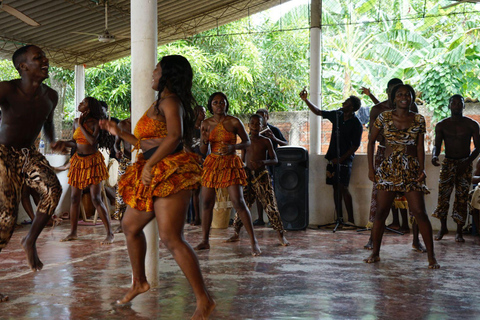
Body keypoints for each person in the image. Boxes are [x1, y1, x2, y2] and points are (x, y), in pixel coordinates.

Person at [99, 55, 215, 318]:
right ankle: (139, 281)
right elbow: (144, 142)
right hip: (153, 168)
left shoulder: (171, 101)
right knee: (130, 226)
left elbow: (174, 136)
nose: (152, 73)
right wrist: (118, 132)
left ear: (168, 75)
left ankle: (204, 300)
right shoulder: (160, 102)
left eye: (157, 69)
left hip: (170, 170)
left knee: (171, 238)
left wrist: (151, 166)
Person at [0, 45, 63, 302]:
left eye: (45, 56)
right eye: (38, 58)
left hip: (28, 154)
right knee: (5, 223)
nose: (45, 60)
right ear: (23, 67)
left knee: (53, 190)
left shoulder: (51, 96)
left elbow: (46, 124)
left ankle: (30, 240)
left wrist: (54, 142)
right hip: (3, 154)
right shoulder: (6, 89)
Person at [365, 84, 440, 269]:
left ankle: (431, 257)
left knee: (420, 213)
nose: (404, 97)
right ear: (393, 98)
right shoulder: (383, 117)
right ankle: (375, 253)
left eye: (408, 94)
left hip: (411, 169)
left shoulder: (418, 119)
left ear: (412, 98)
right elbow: (371, 141)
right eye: (400, 94)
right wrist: (371, 169)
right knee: (381, 212)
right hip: (389, 168)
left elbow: (420, 147)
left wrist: (422, 169)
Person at [194, 92, 261, 256]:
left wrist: (233, 148)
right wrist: (204, 139)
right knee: (207, 203)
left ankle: (254, 241)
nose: (219, 105)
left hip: (230, 162)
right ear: (211, 105)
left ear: (226, 104)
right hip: (212, 163)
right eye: (215, 103)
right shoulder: (206, 123)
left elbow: (247, 142)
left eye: (222, 102)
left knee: (238, 202)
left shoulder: (233, 121)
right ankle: (205, 241)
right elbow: (203, 151)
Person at [362, 79, 423, 251]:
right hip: (384, 154)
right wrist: (371, 168)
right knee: (379, 201)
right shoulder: (378, 110)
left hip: (408, 157)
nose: (401, 95)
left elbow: (417, 139)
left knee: (415, 203)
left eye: (404, 93)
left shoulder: (412, 109)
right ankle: (372, 240)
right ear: (389, 92)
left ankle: (416, 240)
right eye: (395, 92)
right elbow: (372, 137)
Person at [56, 97, 115, 244]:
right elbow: (76, 143)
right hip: (78, 161)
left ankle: (110, 233)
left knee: (96, 198)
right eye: (80, 102)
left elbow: (92, 141)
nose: (80, 104)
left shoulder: (95, 122)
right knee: (75, 198)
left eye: (83, 103)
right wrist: (63, 143)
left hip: (92, 161)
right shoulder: (76, 121)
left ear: (89, 107)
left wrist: (82, 125)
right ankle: (73, 232)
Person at [300, 90, 363, 225]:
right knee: (335, 187)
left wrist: (341, 159)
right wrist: (305, 100)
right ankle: (339, 218)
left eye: (346, 102)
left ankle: (351, 220)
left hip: (345, 160)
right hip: (332, 159)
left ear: (351, 107)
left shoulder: (356, 123)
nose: (342, 103)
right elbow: (318, 112)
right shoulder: (337, 115)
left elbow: (355, 146)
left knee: (343, 187)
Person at [227, 114, 289, 246]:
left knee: (270, 205)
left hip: (262, 175)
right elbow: (243, 160)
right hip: (247, 176)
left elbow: (275, 159)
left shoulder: (266, 141)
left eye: (258, 124)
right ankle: (236, 233)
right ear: (249, 126)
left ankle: (280, 235)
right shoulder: (246, 142)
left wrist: (263, 162)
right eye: (253, 124)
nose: (255, 126)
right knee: (242, 205)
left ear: (262, 126)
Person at [431, 94, 480, 242]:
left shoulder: (472, 125)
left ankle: (459, 231)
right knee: (443, 196)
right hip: (448, 163)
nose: (457, 105)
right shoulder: (442, 125)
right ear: (449, 105)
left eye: (460, 103)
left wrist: (467, 162)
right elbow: (437, 146)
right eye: (454, 103)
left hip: (465, 162)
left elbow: (478, 148)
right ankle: (443, 227)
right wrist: (434, 156)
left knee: (462, 197)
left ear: (464, 106)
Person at [253, 108, 288, 226]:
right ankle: (260, 218)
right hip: (258, 166)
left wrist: (273, 138)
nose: (261, 120)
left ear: (267, 117)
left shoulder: (273, 130)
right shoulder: (253, 132)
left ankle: (273, 220)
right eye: (258, 118)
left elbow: (286, 143)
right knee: (258, 192)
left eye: (263, 117)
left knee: (271, 193)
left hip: (273, 166)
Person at [112, 116, 132, 233]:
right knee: (121, 192)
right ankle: (121, 223)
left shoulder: (144, 124)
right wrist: (117, 151)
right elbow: (116, 143)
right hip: (125, 161)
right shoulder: (123, 125)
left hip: (139, 161)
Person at [189, 105, 207, 226]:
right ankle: (196, 217)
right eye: (201, 112)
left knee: (207, 191)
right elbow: (185, 145)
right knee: (195, 192)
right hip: (193, 162)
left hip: (206, 161)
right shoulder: (190, 129)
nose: (204, 114)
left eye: (204, 112)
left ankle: (208, 217)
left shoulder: (206, 127)